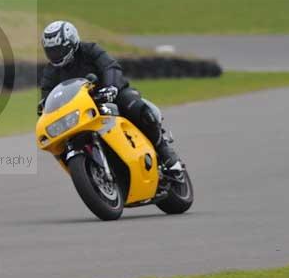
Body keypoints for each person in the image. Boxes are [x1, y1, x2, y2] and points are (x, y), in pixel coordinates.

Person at [38, 21, 183, 172]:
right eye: (51, 51)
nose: (55, 55)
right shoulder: (50, 72)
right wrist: (44, 109)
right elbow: (47, 95)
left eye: (58, 50)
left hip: (110, 94)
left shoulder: (90, 50)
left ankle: (165, 152)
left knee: (136, 107)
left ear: (72, 43)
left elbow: (109, 66)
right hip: (81, 109)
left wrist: (111, 86)